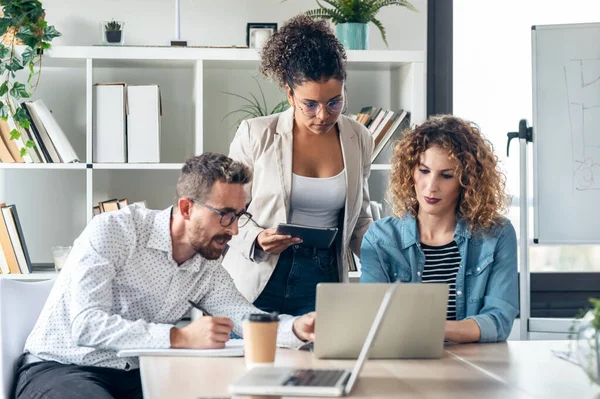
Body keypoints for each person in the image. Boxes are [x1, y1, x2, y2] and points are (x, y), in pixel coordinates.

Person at [16, 153, 316, 399]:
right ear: (186, 207)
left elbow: (245, 316)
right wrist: (180, 337)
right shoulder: (114, 230)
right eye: (225, 214)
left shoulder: (205, 265)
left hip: (137, 374)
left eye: (239, 216)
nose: (234, 230)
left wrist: (297, 328)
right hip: (62, 367)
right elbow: (86, 326)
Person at [223, 15, 373, 316]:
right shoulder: (256, 134)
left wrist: (391, 250)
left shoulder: (358, 138)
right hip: (261, 274)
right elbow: (227, 212)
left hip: (324, 277)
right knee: (252, 361)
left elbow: (359, 219)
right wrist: (257, 238)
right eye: (310, 104)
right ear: (289, 94)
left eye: (334, 102)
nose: (323, 115)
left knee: (317, 361)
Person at [360, 115, 518, 343]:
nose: (431, 187)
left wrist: (431, 328)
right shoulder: (381, 238)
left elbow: (499, 321)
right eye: (424, 171)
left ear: (467, 181)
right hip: (404, 362)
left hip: (473, 365)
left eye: (446, 175)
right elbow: (372, 320)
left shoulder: (497, 235)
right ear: (410, 172)